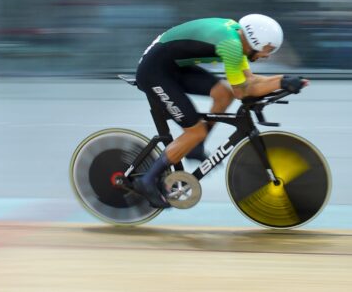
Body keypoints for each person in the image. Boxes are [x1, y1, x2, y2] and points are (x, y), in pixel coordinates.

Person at [131, 14, 307, 209]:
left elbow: (250, 79)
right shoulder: (232, 46)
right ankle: (147, 181)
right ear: (255, 40)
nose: (268, 55)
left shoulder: (239, 40)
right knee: (195, 131)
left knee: (223, 94)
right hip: (154, 72)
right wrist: (281, 82)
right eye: (268, 49)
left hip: (172, 67)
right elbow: (243, 91)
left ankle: (195, 147)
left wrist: (286, 79)